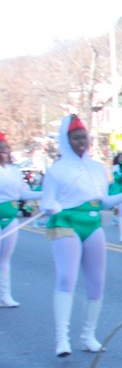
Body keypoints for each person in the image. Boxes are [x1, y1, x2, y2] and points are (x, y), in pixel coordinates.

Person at [39, 115, 122, 357]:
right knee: (67, 278)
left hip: (92, 222)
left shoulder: (98, 169)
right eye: (75, 138)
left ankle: (88, 335)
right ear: (67, 141)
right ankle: (61, 338)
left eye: (83, 138)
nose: (81, 142)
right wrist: (52, 206)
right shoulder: (56, 170)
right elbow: (47, 202)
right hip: (66, 222)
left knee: (96, 282)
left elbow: (104, 200)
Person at [0, 131, 39, 308]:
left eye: (5, 149)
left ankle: (4, 295)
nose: (3, 152)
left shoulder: (14, 172)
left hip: (9, 218)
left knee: (5, 259)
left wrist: (45, 195)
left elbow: (21, 193)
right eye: (0, 149)